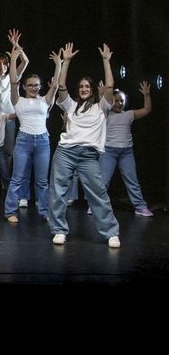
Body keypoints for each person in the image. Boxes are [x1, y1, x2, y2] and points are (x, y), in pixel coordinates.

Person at [49, 43, 121, 248]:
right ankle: (59, 230)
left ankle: (110, 232)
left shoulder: (102, 107)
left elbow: (109, 86)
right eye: (81, 86)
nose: (83, 89)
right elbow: (61, 86)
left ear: (92, 90)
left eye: (87, 87)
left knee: (98, 193)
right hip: (65, 153)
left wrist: (106, 61)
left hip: (88, 156)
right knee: (59, 191)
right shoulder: (70, 105)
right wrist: (66, 62)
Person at [4, 42, 61, 222]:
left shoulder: (45, 100)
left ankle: (45, 211)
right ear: (24, 87)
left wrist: (59, 64)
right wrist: (13, 59)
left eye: (36, 85)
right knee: (17, 178)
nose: (34, 88)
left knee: (42, 181)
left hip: (43, 141)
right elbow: (13, 81)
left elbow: (56, 85)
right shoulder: (18, 100)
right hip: (24, 141)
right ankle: (10, 211)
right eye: (30, 85)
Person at [101, 81, 154, 217]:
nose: (119, 103)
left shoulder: (129, 114)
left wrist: (147, 95)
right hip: (109, 151)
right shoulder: (105, 114)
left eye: (122, 101)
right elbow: (100, 105)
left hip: (126, 152)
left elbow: (147, 110)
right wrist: (102, 94)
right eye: (116, 101)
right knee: (103, 181)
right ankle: (95, 205)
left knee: (132, 181)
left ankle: (140, 207)